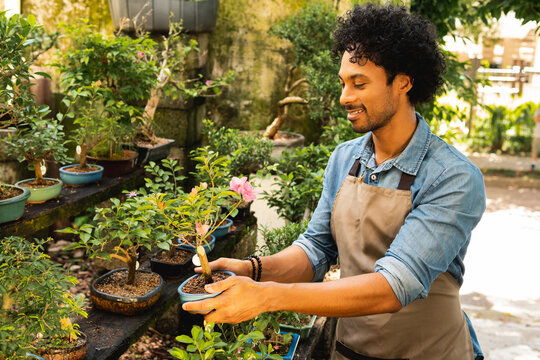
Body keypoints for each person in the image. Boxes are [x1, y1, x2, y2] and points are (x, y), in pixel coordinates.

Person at [183, 4, 486, 360]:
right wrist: (252, 270)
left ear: (403, 81)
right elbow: (315, 250)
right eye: (343, 83)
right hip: (350, 350)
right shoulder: (346, 158)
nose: (344, 97)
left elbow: (393, 287)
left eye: (359, 83)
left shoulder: (452, 176)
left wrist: (265, 297)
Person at [532, 105, 540, 171]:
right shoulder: (538, 110)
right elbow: (535, 120)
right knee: (535, 149)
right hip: (538, 134)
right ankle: (533, 164)